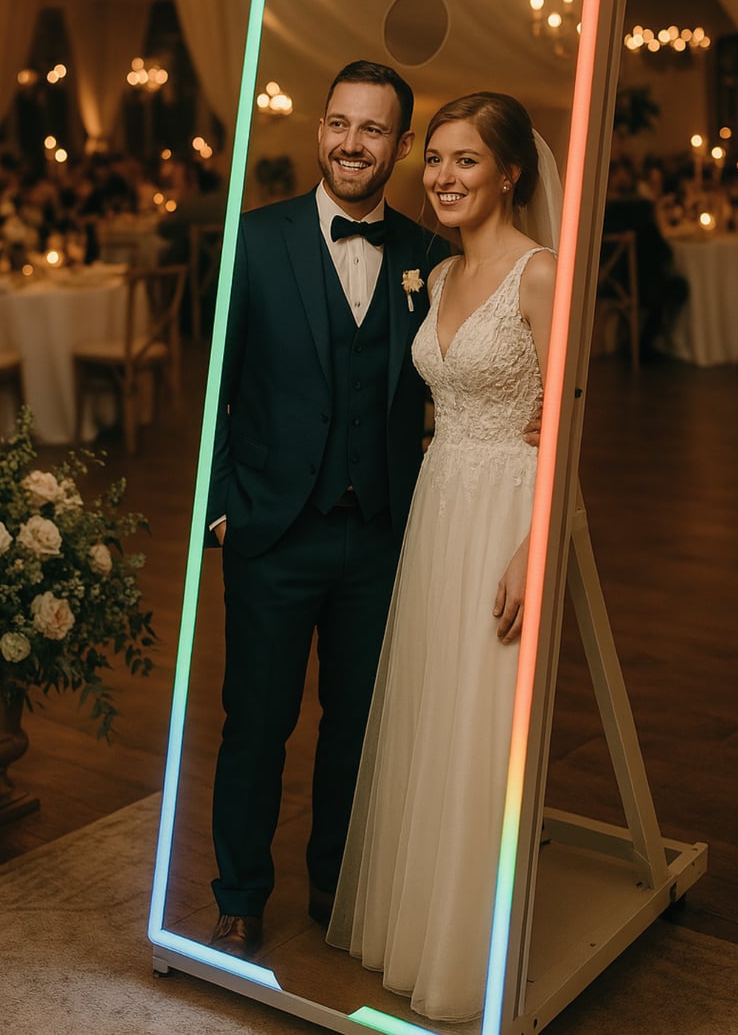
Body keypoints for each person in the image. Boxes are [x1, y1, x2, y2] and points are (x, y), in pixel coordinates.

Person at [205, 59, 452, 961]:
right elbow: (214, 390)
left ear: (401, 145)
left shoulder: (428, 255)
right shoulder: (255, 238)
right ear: (319, 130)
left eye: (374, 129)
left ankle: (334, 881)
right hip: (270, 531)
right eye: (340, 124)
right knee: (257, 723)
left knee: (358, 723)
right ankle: (238, 893)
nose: (353, 143)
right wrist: (222, 507)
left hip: (379, 536)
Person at [326, 92, 560, 1022]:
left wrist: (531, 547)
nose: (443, 177)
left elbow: (578, 424)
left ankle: (468, 951)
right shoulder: (438, 269)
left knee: (482, 720)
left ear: (509, 172)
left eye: (467, 161)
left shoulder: (541, 275)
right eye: (435, 160)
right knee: (431, 709)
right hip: (438, 505)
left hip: (506, 510)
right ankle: (413, 924)